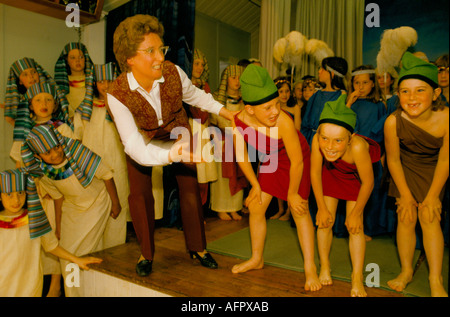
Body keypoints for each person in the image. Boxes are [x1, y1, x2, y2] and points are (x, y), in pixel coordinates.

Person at [106, 14, 235, 276]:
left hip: (177, 128)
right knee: (140, 194)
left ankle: (198, 248)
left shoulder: (174, 72)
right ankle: (146, 253)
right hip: (143, 139)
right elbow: (132, 145)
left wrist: (225, 111)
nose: (160, 57)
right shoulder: (117, 94)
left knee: (190, 188)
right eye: (150, 51)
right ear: (130, 58)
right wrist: (170, 155)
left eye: (161, 49)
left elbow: (195, 95)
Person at [230, 64, 322, 292]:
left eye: (277, 105)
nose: (275, 111)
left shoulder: (284, 121)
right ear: (250, 110)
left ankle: (310, 267)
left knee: (300, 210)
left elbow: (297, 161)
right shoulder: (238, 121)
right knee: (257, 207)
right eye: (268, 107)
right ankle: (256, 258)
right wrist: (255, 184)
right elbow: (242, 157)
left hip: (295, 160)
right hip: (271, 160)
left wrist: (292, 193)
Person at [21, 124, 121, 296]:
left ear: (60, 142)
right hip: (72, 207)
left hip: (96, 203)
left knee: (81, 253)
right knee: (66, 254)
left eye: (57, 147)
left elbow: (107, 175)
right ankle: (73, 293)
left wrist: (116, 203)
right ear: (37, 155)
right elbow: (58, 198)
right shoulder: (42, 170)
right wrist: (59, 227)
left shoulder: (76, 151)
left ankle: (86, 291)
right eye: (47, 153)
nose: (55, 154)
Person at [384, 52, 448, 297]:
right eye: (405, 91)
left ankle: (436, 279)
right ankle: (406, 271)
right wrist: (406, 195)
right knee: (406, 216)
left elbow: (445, 159)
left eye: (420, 90)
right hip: (405, 168)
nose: (411, 98)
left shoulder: (446, 119)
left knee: (429, 217)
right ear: (398, 95)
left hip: (435, 169)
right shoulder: (392, 121)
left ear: (435, 94)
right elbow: (393, 159)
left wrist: (432, 196)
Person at [311, 94, 381, 297]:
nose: (329, 146)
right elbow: (315, 173)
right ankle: (325, 266)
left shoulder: (358, 147)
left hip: (355, 180)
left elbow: (368, 182)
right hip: (330, 174)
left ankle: (357, 276)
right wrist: (322, 208)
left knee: (356, 227)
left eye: (338, 140)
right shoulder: (317, 141)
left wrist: (355, 213)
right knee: (324, 222)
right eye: (325, 138)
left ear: (350, 138)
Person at [0, 168, 102, 297]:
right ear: (0, 195)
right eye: (9, 194)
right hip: (3, 285)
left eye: (20, 193)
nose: (16, 200)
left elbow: (51, 245)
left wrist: (76, 259)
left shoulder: (35, 217)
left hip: (30, 285)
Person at [82, 62, 130, 249]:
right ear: (94, 84)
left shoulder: (123, 107)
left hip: (117, 163)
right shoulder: (86, 110)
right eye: (100, 81)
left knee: (118, 204)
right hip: (91, 166)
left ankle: (115, 248)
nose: (105, 85)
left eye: (109, 80)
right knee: (94, 207)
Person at [4, 58, 70, 168]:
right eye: (25, 74)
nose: (31, 77)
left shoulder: (51, 92)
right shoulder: (21, 106)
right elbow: (12, 121)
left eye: (33, 72)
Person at [346, 65, 388, 239]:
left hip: (370, 155)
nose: (360, 87)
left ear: (373, 84)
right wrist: (348, 103)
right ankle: (348, 225)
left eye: (365, 83)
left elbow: (381, 132)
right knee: (351, 191)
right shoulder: (348, 103)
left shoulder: (379, 105)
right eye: (357, 83)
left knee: (369, 192)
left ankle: (368, 228)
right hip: (349, 155)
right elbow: (342, 124)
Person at [210, 65, 247, 221]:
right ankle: (221, 207)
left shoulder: (244, 99)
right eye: (233, 78)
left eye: (239, 78)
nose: (236, 81)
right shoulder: (217, 97)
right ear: (226, 79)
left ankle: (234, 207)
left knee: (239, 173)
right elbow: (215, 118)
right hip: (222, 140)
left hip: (239, 141)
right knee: (222, 177)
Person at [188, 49, 217, 207]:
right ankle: (190, 211)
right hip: (189, 129)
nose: (199, 68)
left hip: (203, 130)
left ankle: (200, 208)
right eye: (196, 64)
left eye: (202, 65)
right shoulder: (183, 85)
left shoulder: (205, 86)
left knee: (204, 172)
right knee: (193, 172)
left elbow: (206, 112)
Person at [301, 57, 348, 147]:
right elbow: (305, 125)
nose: (319, 71)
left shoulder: (341, 97)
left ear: (332, 74)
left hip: (330, 144)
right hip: (311, 142)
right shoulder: (315, 96)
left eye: (322, 69)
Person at [271, 77, 300, 221]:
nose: (284, 94)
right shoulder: (272, 108)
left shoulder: (295, 108)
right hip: (275, 146)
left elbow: (297, 129)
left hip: (289, 146)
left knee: (289, 178)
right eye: (281, 91)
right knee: (277, 178)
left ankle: (289, 210)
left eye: (287, 91)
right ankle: (280, 209)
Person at [54, 42, 95, 139]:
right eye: (73, 58)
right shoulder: (61, 83)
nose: (77, 61)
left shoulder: (94, 80)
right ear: (66, 60)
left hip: (92, 124)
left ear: (85, 59)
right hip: (71, 127)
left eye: (81, 57)